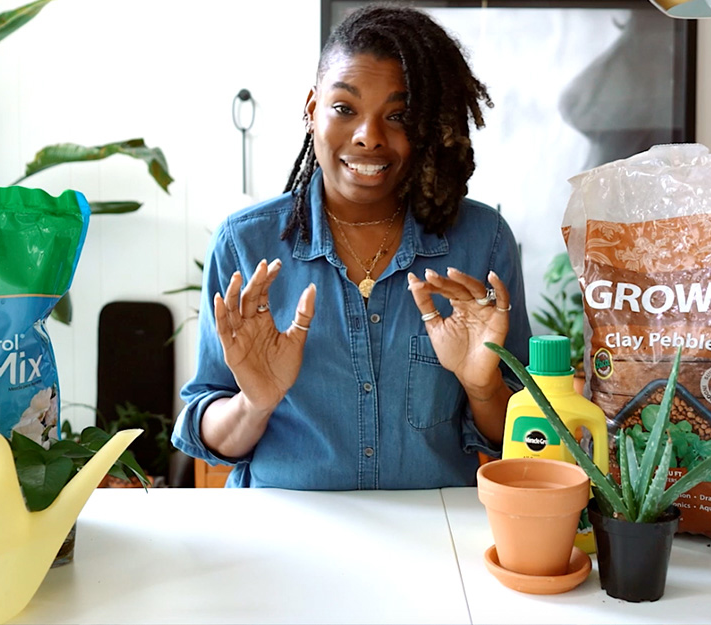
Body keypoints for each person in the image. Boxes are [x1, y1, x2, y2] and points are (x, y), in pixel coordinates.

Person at [172, 4, 531, 489]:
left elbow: (527, 437)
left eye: (399, 115)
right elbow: (208, 429)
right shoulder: (245, 242)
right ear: (311, 110)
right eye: (345, 109)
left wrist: (482, 386)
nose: (369, 137)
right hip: (285, 536)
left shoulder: (481, 242)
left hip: (432, 536)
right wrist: (253, 402)